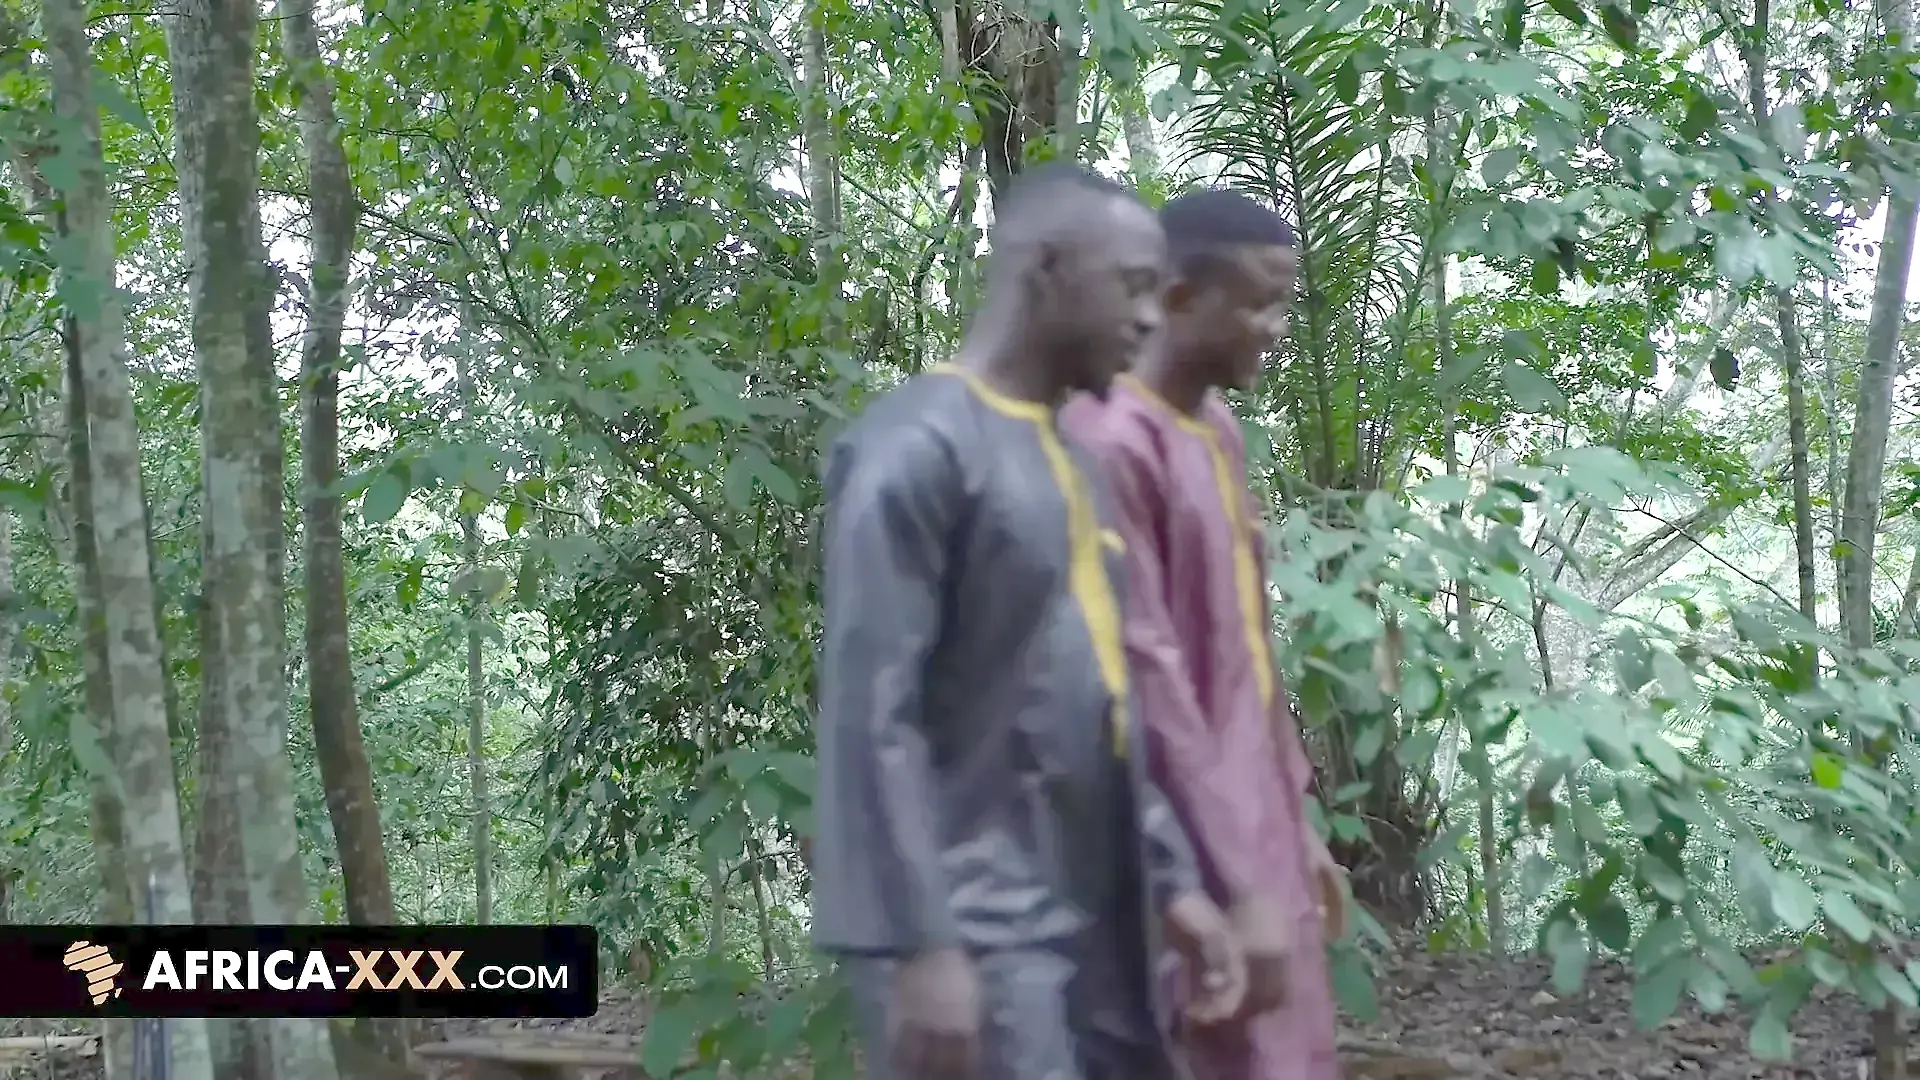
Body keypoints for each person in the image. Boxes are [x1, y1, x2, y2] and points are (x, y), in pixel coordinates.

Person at [810, 164, 1246, 1080]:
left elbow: (1102, 700)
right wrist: (922, 944)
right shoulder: (914, 447)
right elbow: (869, 716)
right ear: (1048, 269)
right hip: (973, 929)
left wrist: (1173, 881)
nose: (1149, 318)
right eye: (1132, 286)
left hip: (1094, 914)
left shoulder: (1071, 460)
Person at [1060, 188, 1345, 1080]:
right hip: (1168, 841)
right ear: (1180, 298)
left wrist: (1292, 824)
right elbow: (1144, 680)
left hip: (1252, 814)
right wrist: (1229, 879)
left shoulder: (1215, 428)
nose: (1275, 329)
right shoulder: (1106, 443)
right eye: (1259, 305)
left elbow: (1247, 646)